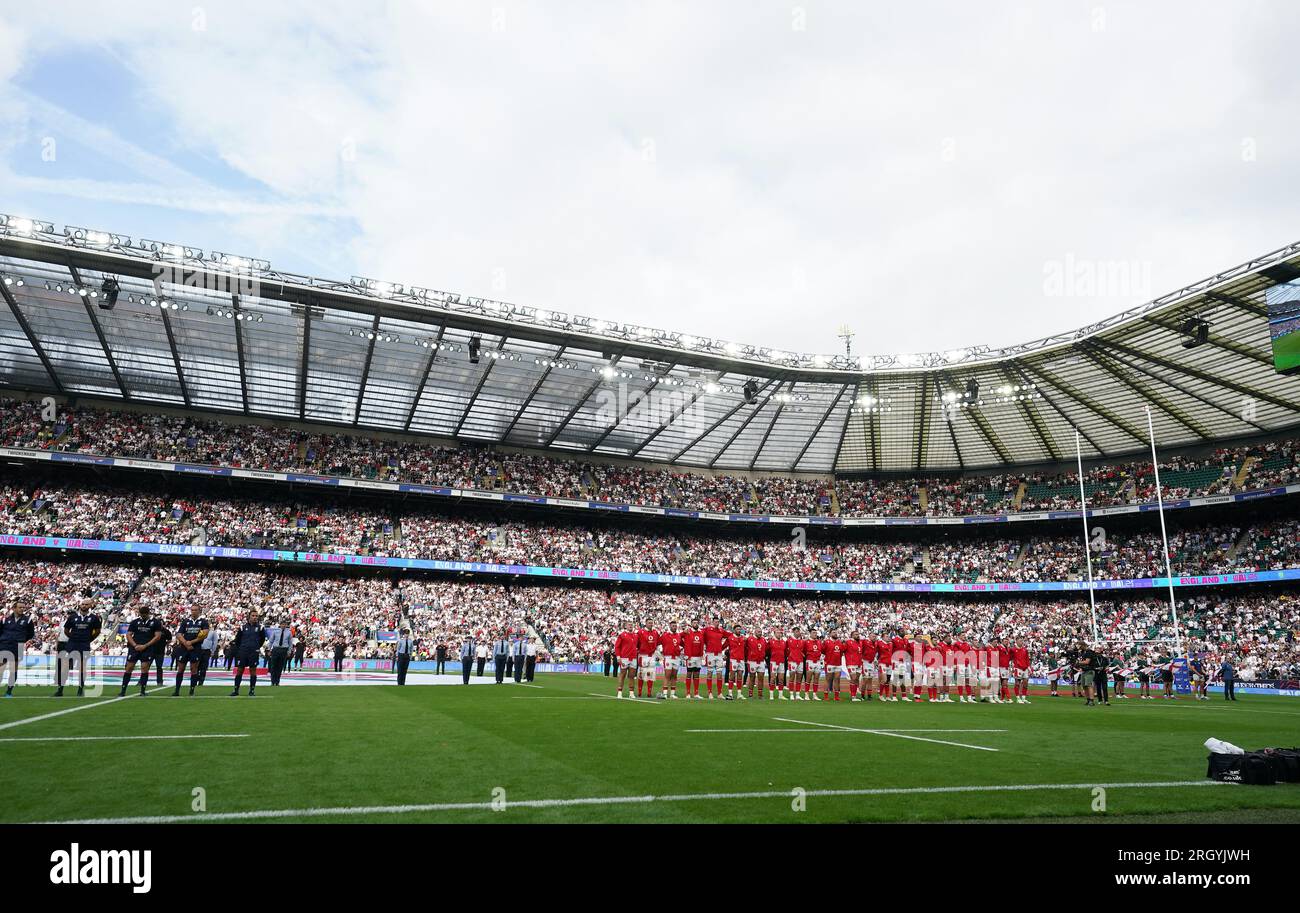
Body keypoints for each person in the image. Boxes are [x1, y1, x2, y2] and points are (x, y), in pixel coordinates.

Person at [57, 599, 101, 697]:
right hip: (72, 644)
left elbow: (98, 631)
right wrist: (73, 638)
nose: (84, 606)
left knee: (82, 667)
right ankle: (60, 689)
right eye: (83, 604)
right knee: (65, 667)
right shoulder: (73, 617)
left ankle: (80, 689)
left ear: (90, 606)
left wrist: (89, 639)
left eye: (86, 604)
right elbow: (66, 630)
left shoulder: (94, 618)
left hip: (84, 644)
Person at [120, 606, 162, 697]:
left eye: (144, 615)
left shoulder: (155, 622)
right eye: (141, 614)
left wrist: (145, 645)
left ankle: (142, 691)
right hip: (134, 648)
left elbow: (157, 636)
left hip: (147, 648)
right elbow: (129, 635)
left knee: (144, 668)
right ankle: (123, 690)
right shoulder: (135, 622)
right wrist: (135, 645)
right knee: (129, 668)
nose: (142, 616)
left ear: (148, 613)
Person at [171, 606, 210, 697]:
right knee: (180, 669)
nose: (193, 611)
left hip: (196, 648)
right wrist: (185, 643)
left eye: (195, 610)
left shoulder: (203, 622)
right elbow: (179, 634)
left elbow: (204, 634)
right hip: (184, 648)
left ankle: (192, 690)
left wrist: (191, 642)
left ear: (199, 611)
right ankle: (177, 690)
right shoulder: (185, 621)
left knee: (194, 669)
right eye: (192, 610)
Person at [0, 606, 37, 698]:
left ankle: (9, 691)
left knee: (14, 669)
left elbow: (31, 633)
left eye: (23, 607)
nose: (22, 609)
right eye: (20, 607)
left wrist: (22, 640)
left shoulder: (28, 620)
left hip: (18, 646)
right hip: (4, 645)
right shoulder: (5, 619)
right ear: (14, 608)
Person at [230, 610, 267, 697]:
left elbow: (262, 640)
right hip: (243, 651)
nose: (255, 617)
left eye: (256, 616)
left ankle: (252, 691)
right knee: (239, 670)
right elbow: (238, 640)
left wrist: (256, 647)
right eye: (253, 616)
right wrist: (242, 648)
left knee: (253, 671)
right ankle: (236, 690)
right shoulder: (243, 627)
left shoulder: (260, 628)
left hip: (254, 652)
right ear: (249, 617)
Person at [265, 617, 293, 686]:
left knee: (280, 666)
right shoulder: (275, 631)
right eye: (282, 624)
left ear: (286, 625)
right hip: (276, 649)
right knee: (273, 665)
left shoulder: (289, 633)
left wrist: (289, 652)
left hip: (283, 650)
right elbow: (271, 641)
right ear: (280, 625)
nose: (283, 625)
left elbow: (290, 643)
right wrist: (269, 649)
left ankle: (277, 681)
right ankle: (272, 681)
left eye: (284, 624)